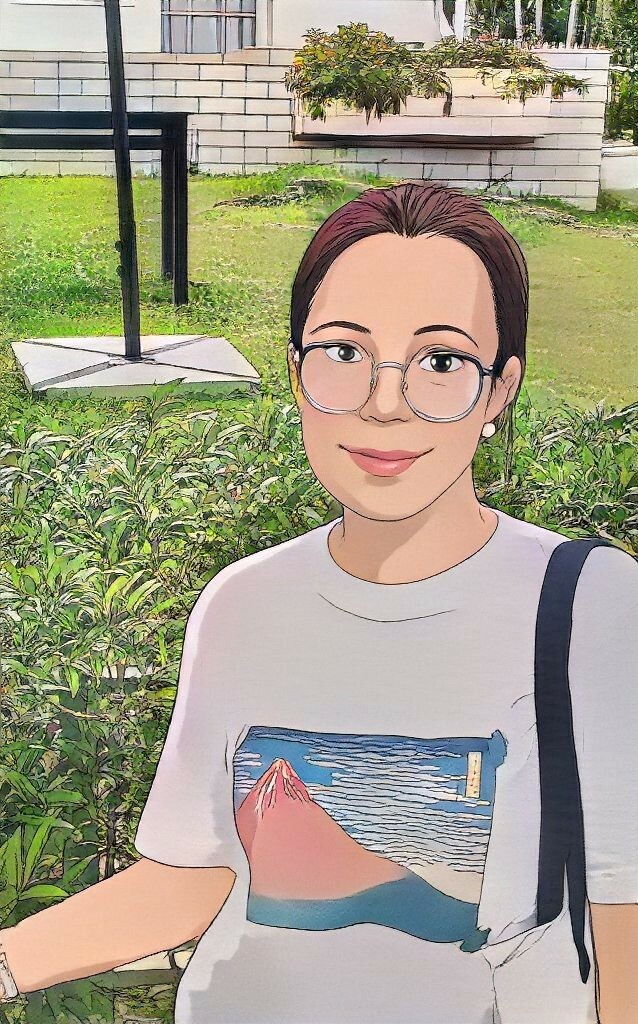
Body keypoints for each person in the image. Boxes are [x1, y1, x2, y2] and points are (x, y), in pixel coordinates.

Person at [1, 181, 637, 1024]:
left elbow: (625, 920)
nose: (384, 404)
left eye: (440, 362)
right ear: (296, 371)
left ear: (499, 390)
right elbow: (189, 878)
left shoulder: (590, 605)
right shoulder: (243, 604)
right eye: (343, 351)